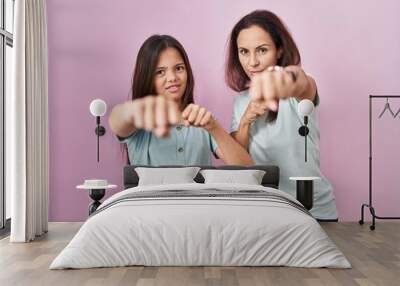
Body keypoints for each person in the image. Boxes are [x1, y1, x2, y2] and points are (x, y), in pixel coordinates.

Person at [226, 10, 337, 220]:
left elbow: (302, 81)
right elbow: (238, 162)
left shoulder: (298, 89)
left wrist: (285, 79)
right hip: (266, 211)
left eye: (262, 50)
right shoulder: (240, 101)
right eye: (244, 51)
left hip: (313, 211)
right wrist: (245, 121)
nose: (252, 62)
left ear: (279, 50)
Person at [109, 34, 253, 166]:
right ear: (146, 78)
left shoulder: (204, 121)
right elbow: (117, 119)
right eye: (160, 72)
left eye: (179, 68)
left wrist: (214, 128)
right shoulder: (138, 125)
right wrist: (138, 109)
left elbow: (246, 168)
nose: (172, 78)